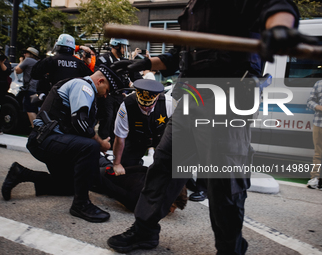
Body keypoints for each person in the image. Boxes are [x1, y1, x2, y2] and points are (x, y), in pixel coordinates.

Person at [106, 1, 317, 254]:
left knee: (223, 183)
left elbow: (276, 7)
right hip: (191, 99)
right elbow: (178, 56)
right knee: (164, 168)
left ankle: (230, 249)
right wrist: (144, 64)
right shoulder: (193, 8)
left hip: (226, 100)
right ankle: (144, 231)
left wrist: (280, 29)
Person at [1, 64, 125, 223]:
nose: (106, 96)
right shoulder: (83, 87)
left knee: (68, 186)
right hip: (46, 141)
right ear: (100, 81)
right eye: (107, 91)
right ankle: (81, 205)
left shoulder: (83, 88)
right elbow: (79, 123)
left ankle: (20, 173)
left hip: (52, 142)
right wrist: (100, 144)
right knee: (90, 146)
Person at [112, 78, 175, 174]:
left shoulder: (170, 103)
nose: (145, 108)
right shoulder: (126, 106)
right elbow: (120, 137)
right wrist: (116, 164)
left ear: (156, 98)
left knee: (168, 166)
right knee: (126, 164)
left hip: (161, 137)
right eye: (142, 104)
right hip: (136, 138)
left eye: (149, 105)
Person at [96, 38, 142, 146]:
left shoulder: (124, 61)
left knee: (118, 119)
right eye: (123, 46)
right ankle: (103, 143)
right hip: (107, 95)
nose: (125, 49)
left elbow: (135, 76)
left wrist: (142, 84)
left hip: (119, 95)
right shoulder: (104, 59)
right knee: (107, 118)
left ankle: (113, 145)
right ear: (116, 46)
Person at [15, 47, 40, 128]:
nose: (24, 54)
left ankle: (35, 129)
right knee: (35, 109)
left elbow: (17, 70)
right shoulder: (38, 62)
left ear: (31, 54)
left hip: (30, 89)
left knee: (29, 109)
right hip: (37, 89)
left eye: (26, 53)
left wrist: (21, 61)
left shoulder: (28, 60)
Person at [307, 80, 322, 189]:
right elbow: (310, 101)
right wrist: (319, 107)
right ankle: (315, 178)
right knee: (318, 153)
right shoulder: (319, 84)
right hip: (319, 122)